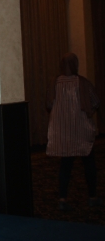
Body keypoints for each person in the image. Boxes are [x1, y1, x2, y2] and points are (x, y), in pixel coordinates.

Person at [46, 52, 101, 211]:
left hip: (64, 132)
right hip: (81, 130)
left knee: (65, 165)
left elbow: (49, 105)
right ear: (76, 64)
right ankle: (92, 197)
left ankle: (62, 199)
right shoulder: (82, 82)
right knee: (89, 164)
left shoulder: (55, 83)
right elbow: (95, 102)